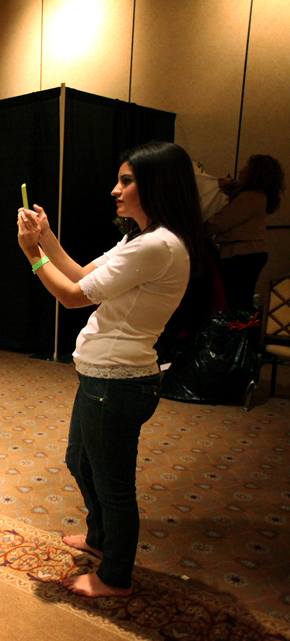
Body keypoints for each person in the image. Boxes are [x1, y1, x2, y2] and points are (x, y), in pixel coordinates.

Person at [16, 141, 201, 598]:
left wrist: (31, 254)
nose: (115, 190)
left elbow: (73, 296)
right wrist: (46, 236)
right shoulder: (139, 237)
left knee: (113, 483)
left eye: (126, 180)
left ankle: (115, 575)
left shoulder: (157, 245)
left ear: (155, 184)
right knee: (80, 461)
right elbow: (80, 273)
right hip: (103, 376)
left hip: (118, 381)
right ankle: (100, 539)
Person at [206, 154, 285, 311]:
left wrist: (192, 229)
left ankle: (239, 334)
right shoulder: (260, 196)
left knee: (236, 303)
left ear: (255, 174)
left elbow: (220, 222)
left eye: (247, 169)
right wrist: (229, 186)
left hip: (241, 256)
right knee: (241, 301)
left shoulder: (249, 197)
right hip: (250, 254)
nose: (241, 171)